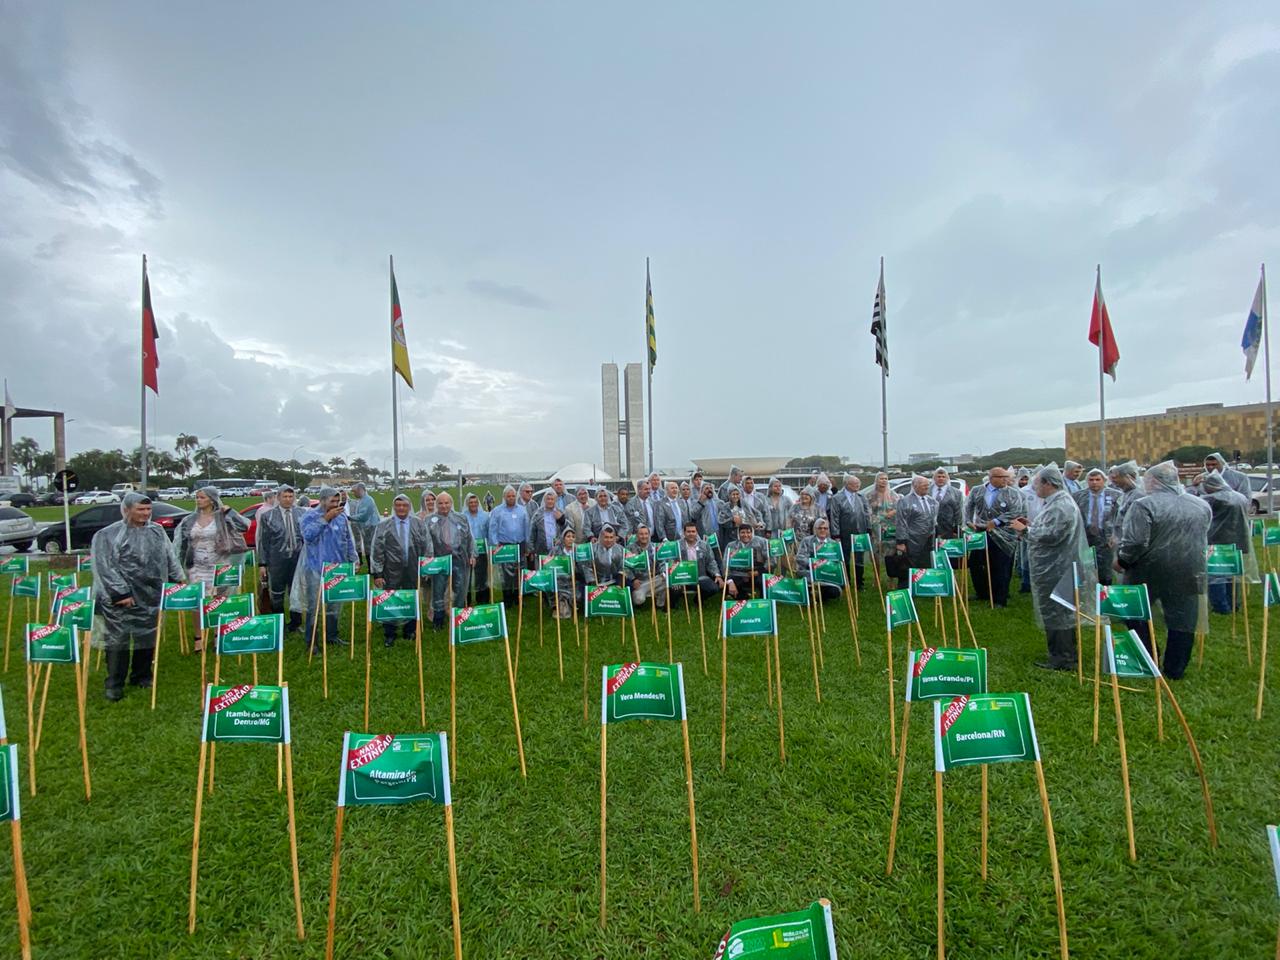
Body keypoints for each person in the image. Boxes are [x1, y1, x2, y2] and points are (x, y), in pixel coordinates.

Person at [1115, 461, 1211, 679]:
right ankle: (1175, 668)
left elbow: (1135, 542)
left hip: (1148, 570)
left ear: (1155, 481)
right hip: (1190, 569)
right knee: (1183, 620)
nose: (1144, 484)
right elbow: (1204, 536)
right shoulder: (1200, 504)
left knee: (1133, 612)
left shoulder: (1144, 505)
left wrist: (1122, 561)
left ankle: (1148, 656)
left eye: (1147, 480)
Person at [91, 493, 185, 700]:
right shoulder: (108, 534)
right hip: (119, 598)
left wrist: (179, 578)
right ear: (127, 509)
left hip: (150, 593)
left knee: (148, 637)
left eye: (148, 510)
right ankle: (114, 683)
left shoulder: (157, 531)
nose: (145, 514)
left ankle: (141, 676)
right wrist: (120, 593)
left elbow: (169, 556)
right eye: (140, 509)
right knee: (118, 641)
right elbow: (103, 566)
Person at [1010, 464, 1095, 671]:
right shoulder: (1056, 502)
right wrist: (1031, 525)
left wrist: (1026, 530)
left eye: (1037, 483)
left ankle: (1063, 658)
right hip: (1056, 567)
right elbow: (1049, 528)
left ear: (1048, 484)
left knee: (1058, 612)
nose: (1034, 487)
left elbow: (1052, 535)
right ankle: (1063, 653)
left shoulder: (1061, 504)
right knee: (1059, 612)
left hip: (1057, 568)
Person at [173, 485, 249, 651]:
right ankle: (198, 637)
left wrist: (231, 512)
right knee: (197, 601)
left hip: (220, 563)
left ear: (212, 499)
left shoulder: (222, 517)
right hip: (197, 566)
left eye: (202, 497)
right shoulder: (189, 519)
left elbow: (244, 526)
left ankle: (217, 634)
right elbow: (181, 543)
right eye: (197, 497)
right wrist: (179, 565)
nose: (199, 500)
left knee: (218, 600)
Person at [298, 486, 358, 652]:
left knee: (334, 604)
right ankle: (312, 642)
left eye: (338, 501)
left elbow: (348, 539)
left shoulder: (342, 517)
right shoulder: (309, 516)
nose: (336, 504)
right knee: (314, 606)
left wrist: (354, 559)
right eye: (332, 501)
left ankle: (331, 635)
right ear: (323, 500)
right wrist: (326, 518)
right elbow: (308, 536)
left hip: (337, 567)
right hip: (315, 567)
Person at [369, 494, 431, 646]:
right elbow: (377, 550)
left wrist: (426, 568)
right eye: (398, 505)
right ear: (394, 507)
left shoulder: (419, 524)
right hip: (391, 570)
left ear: (409, 506)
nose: (401, 508)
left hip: (412, 568)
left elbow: (427, 546)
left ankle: (410, 630)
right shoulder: (384, 525)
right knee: (390, 600)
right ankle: (389, 633)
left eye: (404, 505)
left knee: (411, 598)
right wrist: (377, 573)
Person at [962, 467, 1023, 607]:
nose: (1006, 480)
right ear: (992, 478)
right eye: (1002, 477)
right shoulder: (977, 490)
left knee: (1000, 566)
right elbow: (968, 506)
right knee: (976, 563)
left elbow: (1015, 511)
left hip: (1004, 533)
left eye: (1007, 477)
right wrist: (969, 521)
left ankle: (999, 598)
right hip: (980, 532)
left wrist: (996, 522)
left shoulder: (1012, 492)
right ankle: (982, 593)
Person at [1197, 471, 1252, 613]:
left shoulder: (1213, 499)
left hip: (1216, 542)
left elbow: (1196, 505)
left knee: (1215, 575)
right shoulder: (1240, 497)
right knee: (1232, 574)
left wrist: (1193, 487)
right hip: (1238, 541)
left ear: (1212, 485)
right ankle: (1234, 603)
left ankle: (1221, 607)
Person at [257, 484, 307, 632]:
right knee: (277, 592)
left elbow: (306, 537)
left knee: (296, 590)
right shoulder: (268, 516)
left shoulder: (302, 513)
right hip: (277, 560)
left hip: (297, 558)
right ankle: (279, 624)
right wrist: (262, 563)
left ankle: (295, 622)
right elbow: (263, 541)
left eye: (291, 496)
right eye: (284, 496)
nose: (288, 499)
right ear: (278, 497)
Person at [426, 492, 474, 627]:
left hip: (459, 559)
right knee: (438, 589)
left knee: (460, 588)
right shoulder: (429, 520)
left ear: (451, 503)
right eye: (440, 503)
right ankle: (438, 620)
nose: (444, 506)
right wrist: (429, 559)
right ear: (436, 504)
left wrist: (472, 554)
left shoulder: (461, 518)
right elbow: (427, 541)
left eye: (446, 502)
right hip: (439, 561)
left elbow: (469, 537)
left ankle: (458, 617)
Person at [1074, 468, 1119, 587]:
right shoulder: (1078, 496)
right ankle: (1087, 595)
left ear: (1104, 480)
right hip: (1085, 537)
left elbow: (1121, 518)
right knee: (1085, 568)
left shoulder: (1115, 496)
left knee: (1105, 570)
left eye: (1097, 479)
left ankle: (1105, 595)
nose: (1094, 482)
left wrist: (1116, 535)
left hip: (1106, 539)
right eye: (1091, 479)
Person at [894, 475, 939, 587]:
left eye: (927, 485)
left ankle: (923, 586)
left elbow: (934, 520)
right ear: (915, 486)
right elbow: (901, 522)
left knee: (925, 564)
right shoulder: (905, 501)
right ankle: (906, 587)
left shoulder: (932, 501)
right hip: (911, 539)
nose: (926, 488)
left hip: (928, 539)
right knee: (909, 565)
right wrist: (901, 542)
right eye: (924, 485)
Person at [487, 485, 530, 600]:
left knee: (518, 571)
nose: (511, 498)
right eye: (508, 496)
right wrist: (495, 544)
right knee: (505, 573)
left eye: (513, 496)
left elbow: (526, 528)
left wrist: (527, 546)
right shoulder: (497, 511)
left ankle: (517, 596)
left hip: (519, 545)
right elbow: (493, 529)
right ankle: (507, 597)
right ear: (504, 497)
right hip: (504, 545)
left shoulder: (522, 510)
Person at [829, 474, 870, 589]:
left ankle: (859, 583)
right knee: (844, 557)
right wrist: (836, 534)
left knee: (859, 558)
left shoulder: (861, 497)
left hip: (860, 532)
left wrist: (868, 528)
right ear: (846, 485)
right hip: (844, 533)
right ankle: (846, 582)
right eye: (854, 484)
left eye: (858, 484)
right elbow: (834, 516)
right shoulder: (837, 498)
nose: (857, 486)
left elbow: (867, 514)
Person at [667, 520, 725, 600]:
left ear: (696, 532)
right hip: (682, 577)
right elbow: (671, 561)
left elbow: (711, 562)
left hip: (700, 577)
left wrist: (717, 575)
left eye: (693, 531)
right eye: (688, 531)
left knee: (714, 588)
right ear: (684, 533)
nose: (691, 534)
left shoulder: (704, 545)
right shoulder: (676, 546)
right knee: (674, 590)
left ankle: (698, 600)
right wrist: (673, 578)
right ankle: (670, 608)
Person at [796, 517, 843, 601]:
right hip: (809, 572)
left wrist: (828, 566)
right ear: (815, 529)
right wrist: (814, 561)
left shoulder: (833, 544)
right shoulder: (807, 540)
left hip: (826, 574)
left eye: (825, 528)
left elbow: (837, 563)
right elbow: (800, 558)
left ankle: (819, 594)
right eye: (820, 528)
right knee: (808, 584)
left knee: (834, 592)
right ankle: (812, 592)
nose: (823, 530)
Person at [722, 522, 770, 598]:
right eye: (742, 532)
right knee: (727, 587)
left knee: (763, 581)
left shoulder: (761, 542)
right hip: (738, 574)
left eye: (748, 532)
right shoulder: (731, 545)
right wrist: (730, 580)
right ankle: (743, 595)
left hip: (756, 573)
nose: (746, 535)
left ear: (752, 533)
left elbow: (770, 560)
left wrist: (759, 571)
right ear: (738, 534)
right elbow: (725, 564)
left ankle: (763, 601)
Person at [625, 523, 665, 610]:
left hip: (654, 579)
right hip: (639, 582)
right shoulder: (629, 549)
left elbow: (662, 562)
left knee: (666, 579)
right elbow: (626, 567)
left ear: (649, 535)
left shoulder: (655, 547)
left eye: (646, 534)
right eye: (641, 534)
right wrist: (633, 579)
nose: (644, 536)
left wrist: (663, 572)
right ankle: (646, 591)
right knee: (638, 599)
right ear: (636, 536)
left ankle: (660, 604)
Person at [345, 483, 381, 568]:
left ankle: (372, 568)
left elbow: (363, 516)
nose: (354, 494)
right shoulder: (362, 500)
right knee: (368, 548)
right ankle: (370, 567)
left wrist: (349, 517)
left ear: (360, 490)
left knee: (371, 548)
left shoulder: (368, 500)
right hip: (366, 528)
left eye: (355, 492)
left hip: (371, 527)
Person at [462, 493, 489, 602]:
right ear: (467, 504)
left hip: (482, 550)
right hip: (468, 551)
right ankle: (466, 600)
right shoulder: (463, 516)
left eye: (475, 502)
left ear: (478, 503)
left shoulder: (485, 516)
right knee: (467, 577)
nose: (473, 504)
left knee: (482, 575)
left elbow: (488, 532)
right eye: (471, 502)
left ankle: (482, 598)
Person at [865, 472, 899, 559]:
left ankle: (891, 571)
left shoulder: (894, 495)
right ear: (876, 480)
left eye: (886, 479)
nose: (884, 481)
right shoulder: (870, 495)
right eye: (881, 479)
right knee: (875, 552)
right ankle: (877, 572)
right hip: (875, 528)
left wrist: (894, 511)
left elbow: (899, 508)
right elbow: (867, 512)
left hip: (890, 529)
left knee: (891, 553)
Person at [719, 485, 759, 552]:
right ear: (729, 495)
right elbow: (721, 521)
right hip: (731, 537)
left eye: (737, 494)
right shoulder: (725, 507)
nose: (735, 496)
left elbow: (755, 513)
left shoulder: (744, 504)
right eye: (733, 494)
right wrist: (732, 521)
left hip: (746, 535)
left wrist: (757, 522)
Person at [931, 468, 964, 541]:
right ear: (934, 478)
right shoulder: (927, 491)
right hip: (929, 529)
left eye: (943, 477)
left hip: (948, 529)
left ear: (947, 478)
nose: (941, 479)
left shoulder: (956, 493)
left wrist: (957, 528)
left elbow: (958, 512)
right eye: (938, 477)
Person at [531, 490, 564, 557]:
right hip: (541, 551)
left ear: (555, 500)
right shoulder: (538, 514)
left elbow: (567, 529)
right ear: (544, 500)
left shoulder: (560, 512)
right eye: (548, 499)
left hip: (558, 550)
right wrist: (531, 549)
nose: (550, 501)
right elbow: (532, 532)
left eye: (552, 499)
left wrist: (561, 519)